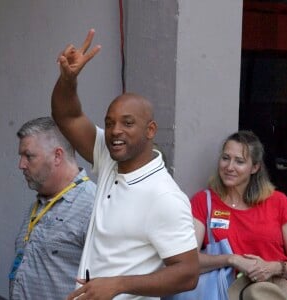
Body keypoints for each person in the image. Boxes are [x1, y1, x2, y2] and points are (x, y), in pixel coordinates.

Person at [51, 29, 199, 300]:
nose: (115, 130)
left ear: (151, 129)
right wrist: (68, 79)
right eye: (109, 123)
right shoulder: (110, 158)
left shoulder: (163, 195)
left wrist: (119, 284)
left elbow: (188, 273)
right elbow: (67, 115)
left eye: (128, 123)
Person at [191, 130, 287, 299]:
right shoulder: (204, 201)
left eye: (239, 161)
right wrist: (230, 259)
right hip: (223, 293)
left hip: (272, 294)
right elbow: (188, 261)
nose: (229, 167)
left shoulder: (278, 202)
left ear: (255, 167)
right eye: (225, 158)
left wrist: (273, 268)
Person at [9, 117, 96, 300]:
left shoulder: (93, 206)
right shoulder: (39, 205)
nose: (21, 165)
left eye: (29, 156)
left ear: (57, 156)